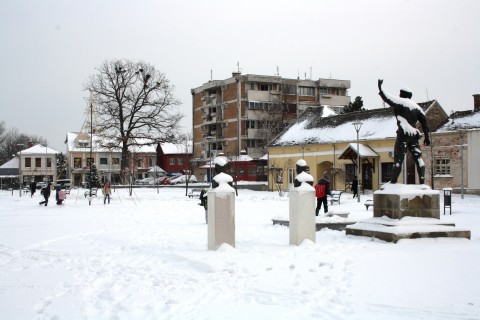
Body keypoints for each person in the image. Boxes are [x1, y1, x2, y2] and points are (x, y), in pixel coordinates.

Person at [378, 79, 430, 184]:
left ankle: (393, 181)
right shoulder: (417, 108)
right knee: (418, 158)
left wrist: (380, 88)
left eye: (400, 93)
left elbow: (387, 98)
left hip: (403, 133)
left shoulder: (401, 102)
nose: (399, 95)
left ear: (402, 94)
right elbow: (424, 123)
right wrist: (427, 138)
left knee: (398, 159)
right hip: (414, 135)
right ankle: (422, 180)